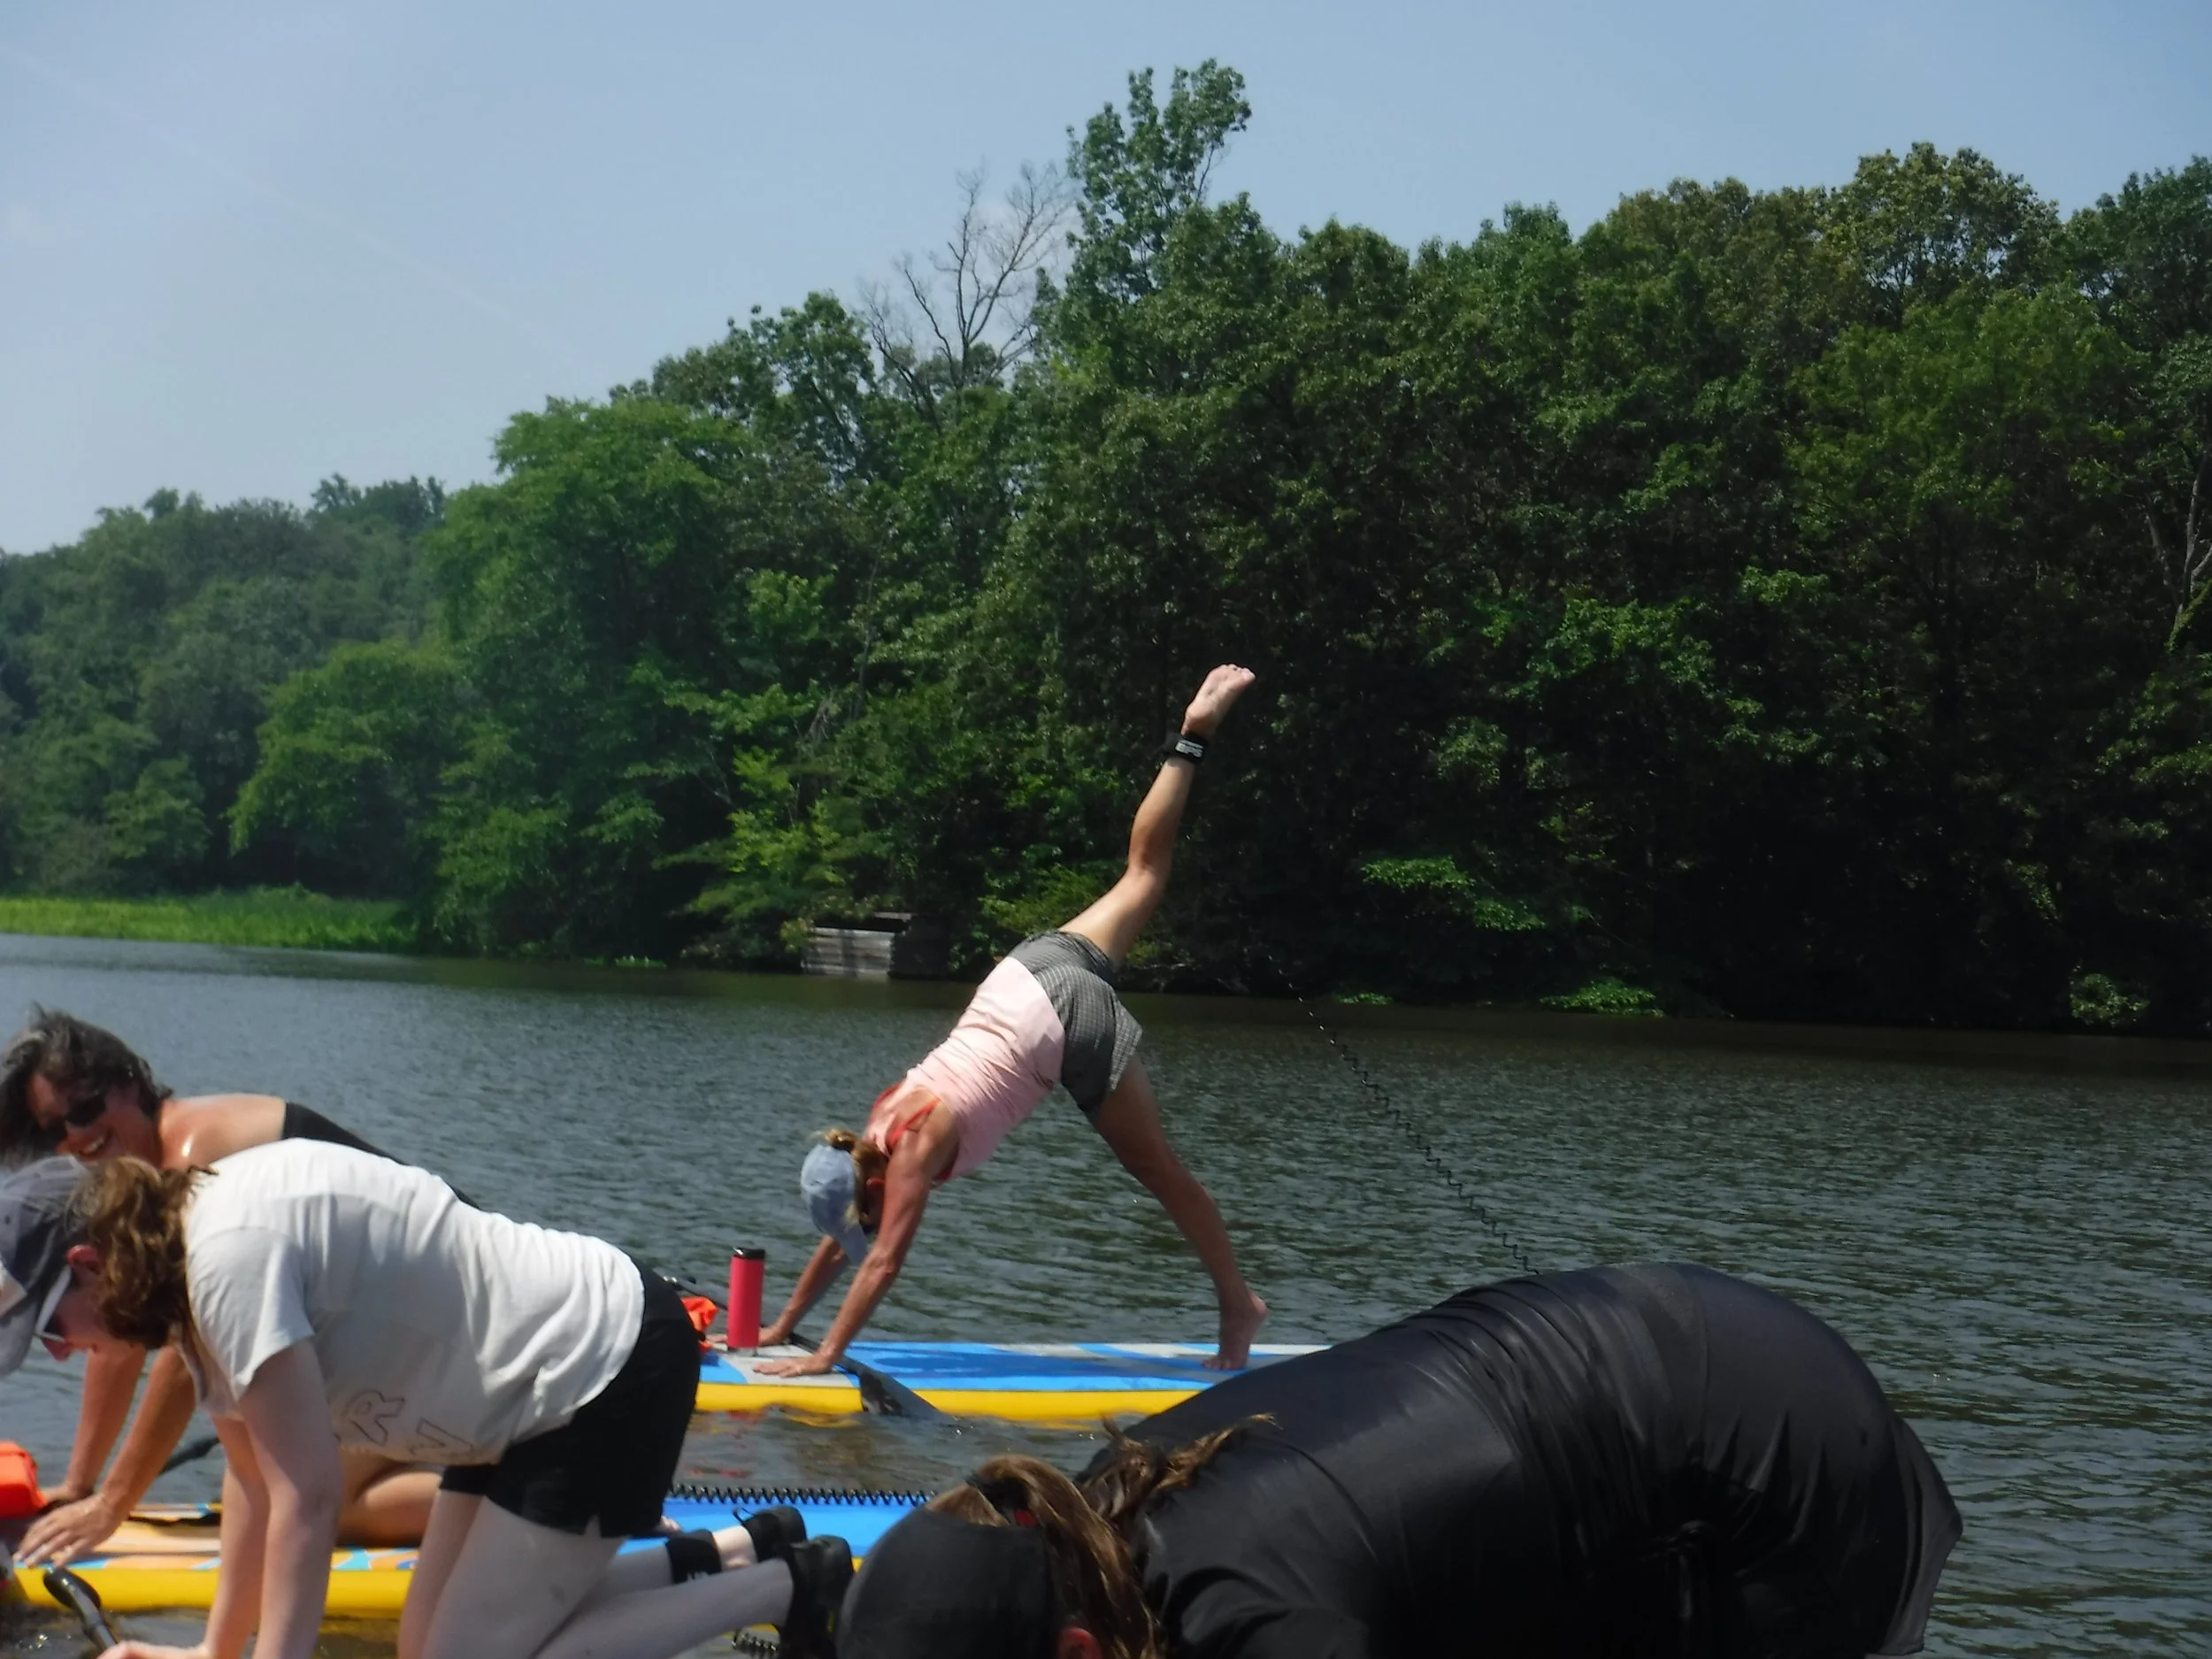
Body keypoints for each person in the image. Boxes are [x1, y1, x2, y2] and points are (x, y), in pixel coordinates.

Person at [837, 1263, 1963, 1658]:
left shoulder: (1267, 1623)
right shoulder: (1074, 1527)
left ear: (1079, 1657)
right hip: (1642, 1344)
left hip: (1761, 1460)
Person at [0, 1149, 855, 1659]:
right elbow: (256, 1489)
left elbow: (310, 1500)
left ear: (88, 1262)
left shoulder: (226, 1258)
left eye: (53, 1328)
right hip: (520, 1403)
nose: (65, 1350)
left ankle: (788, 1586)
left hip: (601, 1364)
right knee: (426, 1647)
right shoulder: (186, 1271)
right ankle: (743, 1546)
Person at [762, 664, 1269, 1377]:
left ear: (866, 1186)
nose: (863, 1224)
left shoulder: (908, 1151)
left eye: (862, 1212)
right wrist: (781, 1325)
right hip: (1023, 973)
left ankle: (1239, 1306)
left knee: (1157, 1169)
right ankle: (1191, 738)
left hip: (1060, 1022)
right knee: (1142, 875)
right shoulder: (874, 1132)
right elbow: (849, 1240)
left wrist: (824, 1357)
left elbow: (881, 1261)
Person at [0, 1009, 436, 1560]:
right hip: (367, 1322)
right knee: (272, 1471)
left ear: (129, 1085)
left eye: (85, 1111)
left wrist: (112, 1506)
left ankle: (521, 1506)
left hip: (421, 1310)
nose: (76, 1135)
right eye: (52, 1130)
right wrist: (80, 1487)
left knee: (312, 1501)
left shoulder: (192, 1159)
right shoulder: (133, 1188)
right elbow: (123, 1332)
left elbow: (187, 1355)